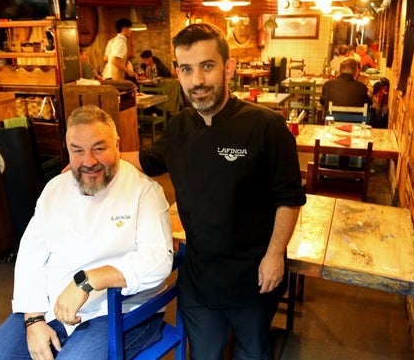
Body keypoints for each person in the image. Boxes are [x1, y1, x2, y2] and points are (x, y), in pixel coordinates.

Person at [121, 23, 306, 359]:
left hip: (254, 274)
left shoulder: (266, 127)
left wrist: (275, 255)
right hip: (200, 273)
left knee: (252, 353)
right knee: (204, 354)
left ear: (228, 67)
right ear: (177, 72)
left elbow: (289, 198)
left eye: (207, 66)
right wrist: (99, 157)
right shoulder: (178, 127)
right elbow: (148, 161)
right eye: (187, 69)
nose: (197, 81)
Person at [0, 105, 174, 360]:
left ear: (117, 144)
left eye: (99, 148)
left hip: (122, 312)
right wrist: (33, 319)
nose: (88, 161)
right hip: (54, 307)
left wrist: (88, 280)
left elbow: (159, 259)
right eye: (77, 151)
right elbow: (32, 254)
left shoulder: (144, 191)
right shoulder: (54, 190)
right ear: (67, 149)